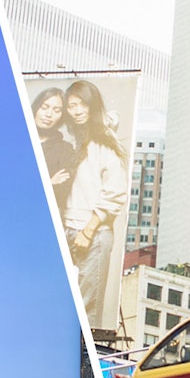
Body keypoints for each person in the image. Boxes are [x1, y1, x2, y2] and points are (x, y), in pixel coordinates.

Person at [61, 80, 128, 328]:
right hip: (68, 229)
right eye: (71, 106)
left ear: (93, 105)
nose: (76, 111)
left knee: (85, 313)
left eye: (82, 105)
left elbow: (115, 192)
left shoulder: (104, 140)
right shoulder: (78, 139)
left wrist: (87, 231)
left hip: (93, 233)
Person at [30, 87, 74, 214]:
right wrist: (48, 183)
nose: (49, 114)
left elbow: (61, 192)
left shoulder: (65, 149)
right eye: (44, 107)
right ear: (35, 108)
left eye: (56, 110)